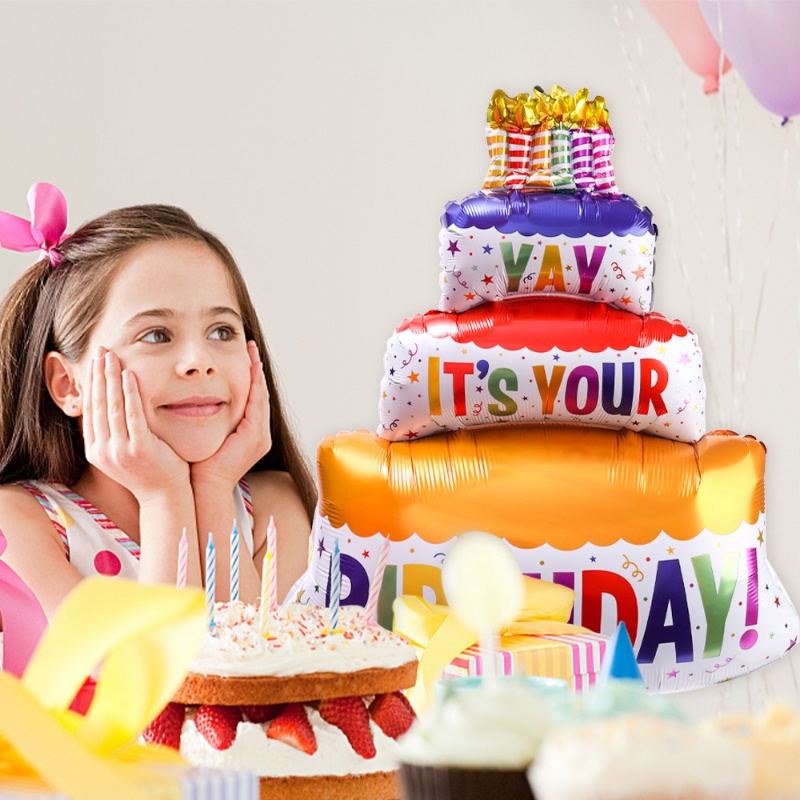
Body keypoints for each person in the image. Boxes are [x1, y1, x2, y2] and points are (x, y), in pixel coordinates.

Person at [0, 183, 316, 621]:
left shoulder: (270, 506)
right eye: (156, 335)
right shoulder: (23, 522)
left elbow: (256, 675)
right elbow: (145, 685)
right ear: (67, 384)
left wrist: (214, 489)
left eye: (222, 331)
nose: (199, 362)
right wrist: (163, 498)